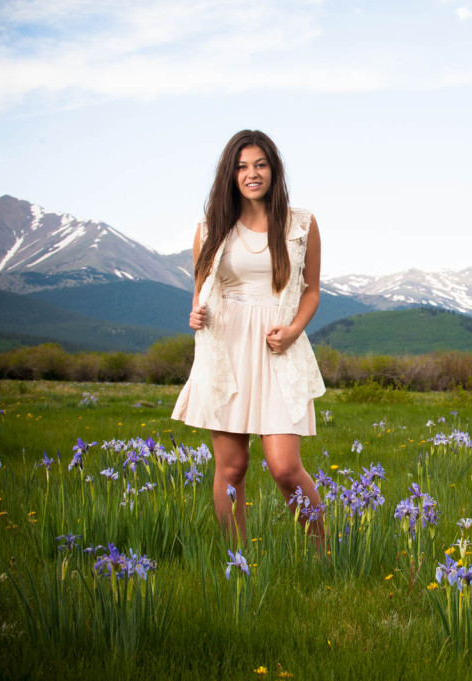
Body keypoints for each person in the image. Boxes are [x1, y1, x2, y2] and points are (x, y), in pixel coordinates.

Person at [171, 129, 326, 543]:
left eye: (260, 165)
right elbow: (201, 287)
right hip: (225, 348)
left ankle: (324, 553)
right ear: (230, 174)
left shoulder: (301, 224)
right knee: (232, 466)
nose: (251, 174)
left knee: (284, 466)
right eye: (242, 167)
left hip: (279, 346)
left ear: (273, 170)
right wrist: (195, 313)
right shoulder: (210, 227)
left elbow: (311, 290)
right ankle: (238, 563)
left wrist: (293, 331)